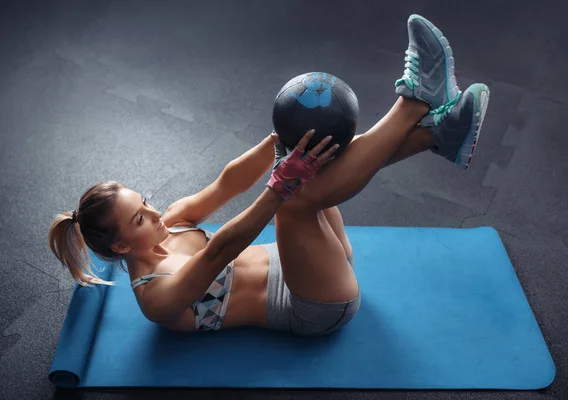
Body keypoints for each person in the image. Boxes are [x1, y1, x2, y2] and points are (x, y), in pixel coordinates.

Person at [48, 14, 490, 336]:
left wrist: (277, 145)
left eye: (142, 200)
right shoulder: (157, 298)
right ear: (122, 245)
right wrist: (281, 183)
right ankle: (415, 104)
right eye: (139, 217)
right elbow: (222, 246)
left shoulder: (172, 222)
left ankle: (437, 138)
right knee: (294, 204)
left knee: (308, 166)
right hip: (315, 305)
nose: (152, 209)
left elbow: (226, 183)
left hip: (319, 262)